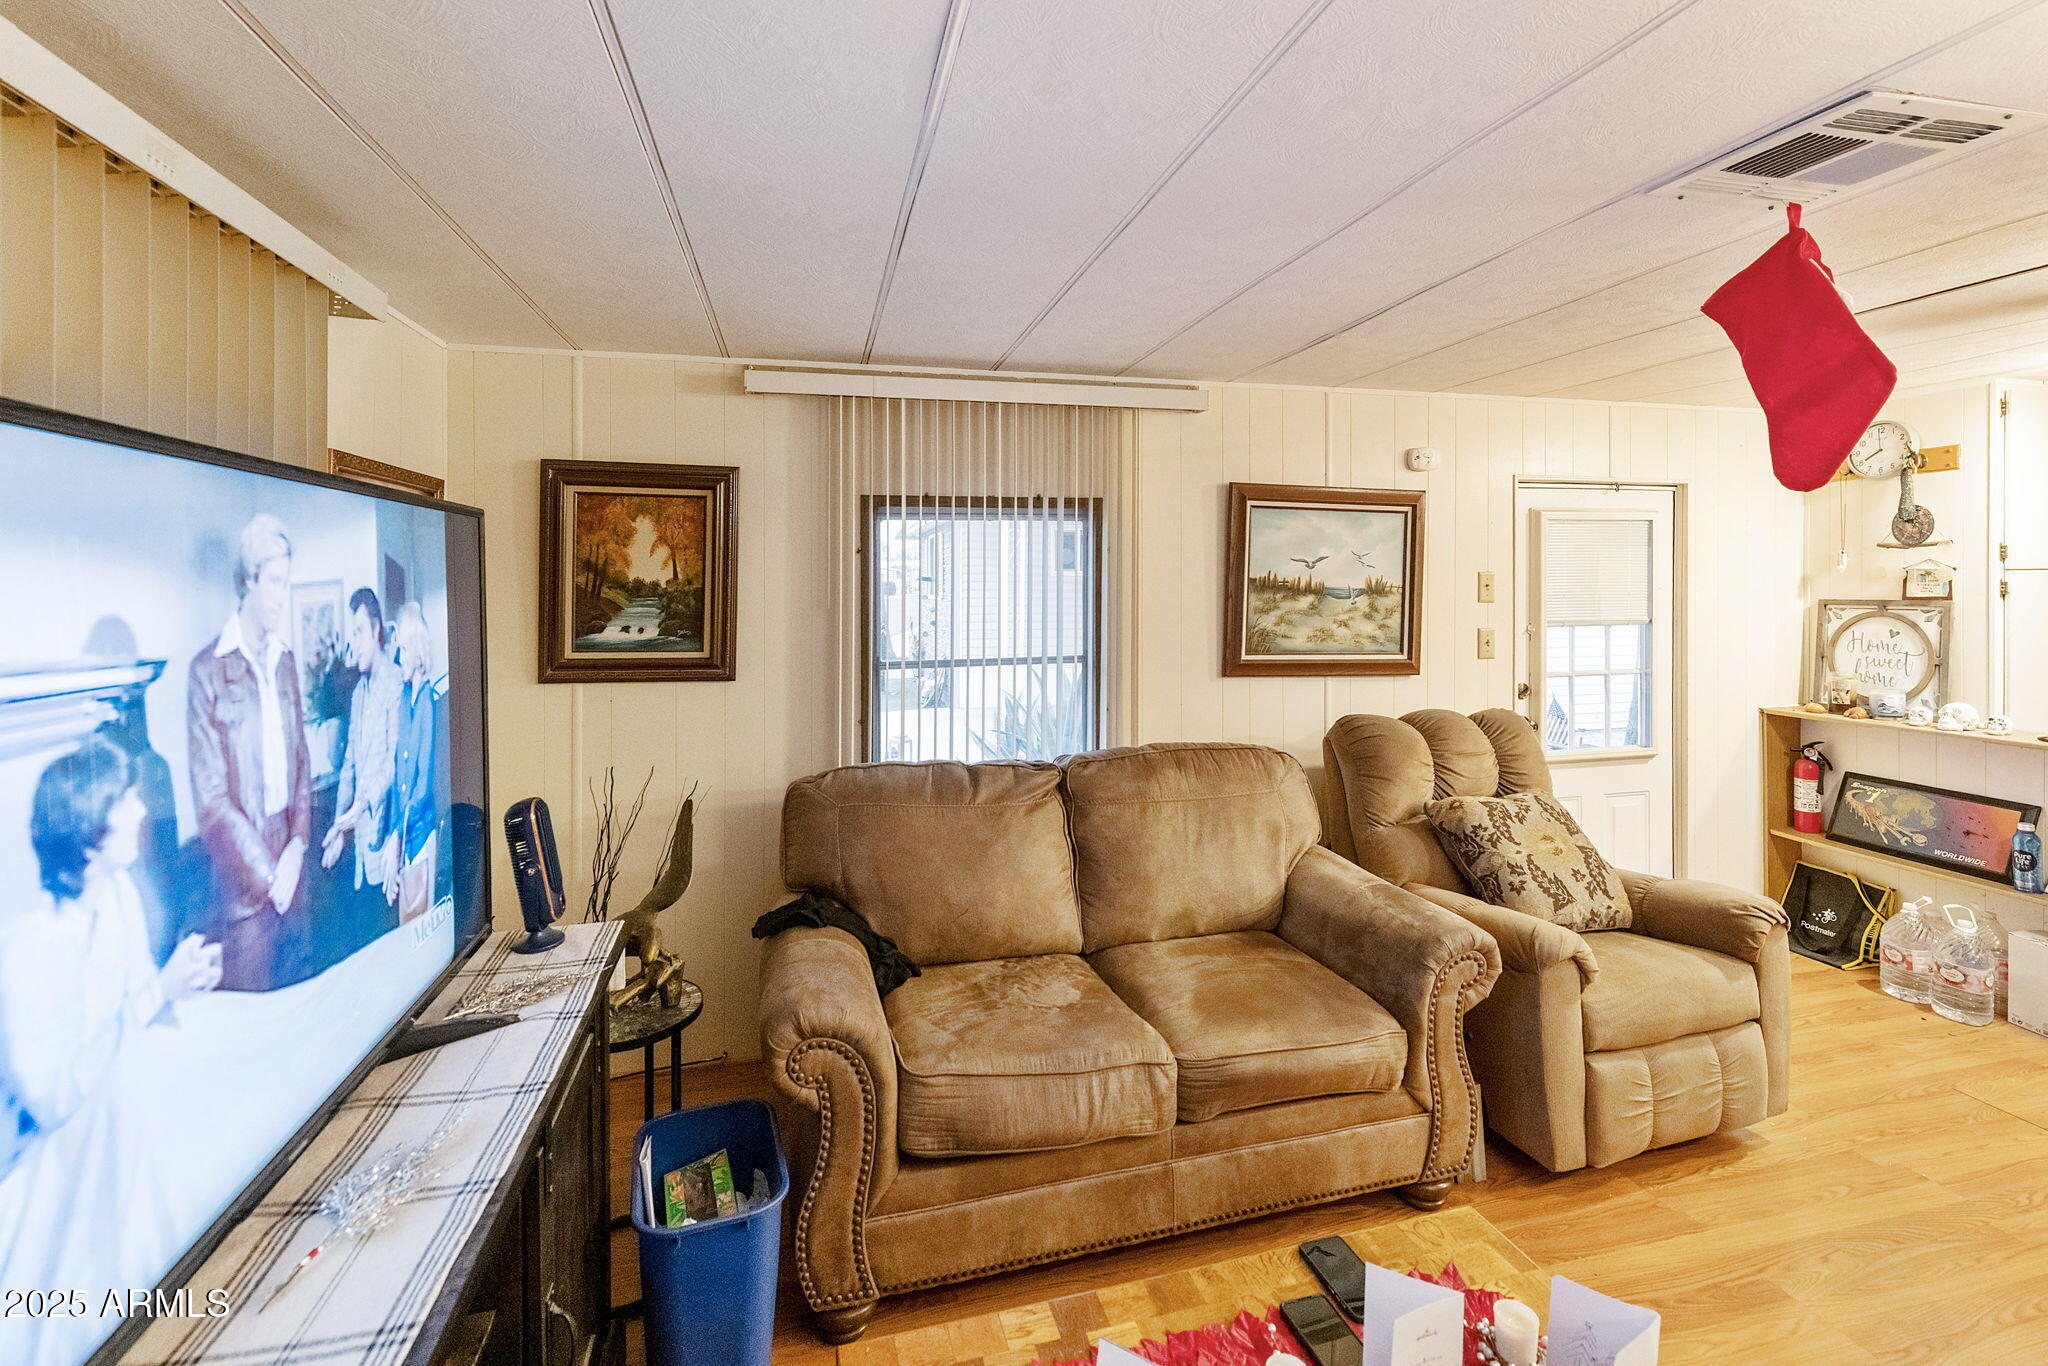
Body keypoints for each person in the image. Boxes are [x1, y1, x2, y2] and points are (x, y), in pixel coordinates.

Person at [0, 737, 220, 1365]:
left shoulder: (120, 894)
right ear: (89, 826)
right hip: (63, 1145)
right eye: (125, 799)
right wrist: (157, 994)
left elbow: (137, 1006)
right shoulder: (27, 950)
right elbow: (52, 1101)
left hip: (123, 1095)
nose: (142, 810)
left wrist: (180, 987)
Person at [186, 513, 312, 991]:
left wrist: (297, 844)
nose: (282, 596)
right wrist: (268, 875)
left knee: (303, 995)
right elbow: (211, 802)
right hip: (242, 886)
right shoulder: (206, 671)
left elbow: (302, 763)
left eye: (287, 582)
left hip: (293, 868)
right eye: (275, 582)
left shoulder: (286, 662)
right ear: (249, 581)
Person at [321, 587, 403, 900]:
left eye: (358, 632)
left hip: (388, 847)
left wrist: (362, 805)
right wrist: (339, 826)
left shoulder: (395, 683)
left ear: (376, 629)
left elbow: (394, 763)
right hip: (361, 850)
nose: (354, 644)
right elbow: (349, 767)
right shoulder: (358, 694)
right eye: (351, 634)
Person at [386, 603, 442, 923]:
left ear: (417, 650)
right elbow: (399, 779)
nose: (399, 658)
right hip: (405, 833)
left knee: (418, 922)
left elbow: (422, 786)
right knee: (406, 922)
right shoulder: (404, 700)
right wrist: (394, 836)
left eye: (403, 649)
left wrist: (398, 836)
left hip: (419, 835)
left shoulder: (427, 702)